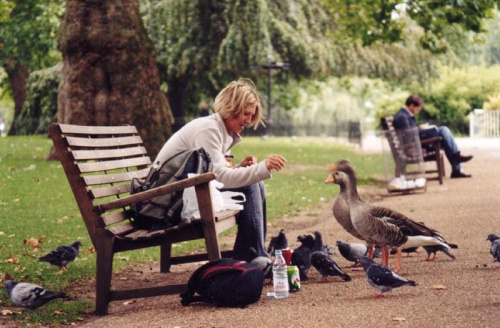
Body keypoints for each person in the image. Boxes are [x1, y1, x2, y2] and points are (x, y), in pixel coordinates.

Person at [154, 78, 287, 261]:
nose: (248, 121)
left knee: (256, 183)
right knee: (251, 184)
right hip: (166, 203)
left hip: (183, 192)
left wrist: (241, 168)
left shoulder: (222, 130)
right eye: (246, 114)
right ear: (232, 108)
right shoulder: (209, 129)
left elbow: (216, 172)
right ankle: (253, 255)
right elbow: (221, 177)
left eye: (251, 116)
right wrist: (262, 167)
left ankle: (251, 254)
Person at [393, 95, 473, 178]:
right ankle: (456, 162)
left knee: (444, 137)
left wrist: (419, 128)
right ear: (412, 105)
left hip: (415, 142)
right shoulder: (402, 117)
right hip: (413, 146)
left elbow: (409, 131)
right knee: (443, 130)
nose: (418, 112)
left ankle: (456, 166)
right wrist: (421, 129)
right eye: (418, 109)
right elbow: (409, 136)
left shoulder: (403, 114)